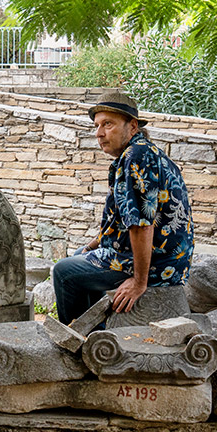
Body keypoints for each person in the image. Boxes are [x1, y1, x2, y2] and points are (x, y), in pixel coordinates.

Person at [52, 91, 194, 325]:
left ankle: (78, 338)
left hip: (159, 263)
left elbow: (141, 224)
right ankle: (95, 329)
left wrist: (139, 282)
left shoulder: (136, 157)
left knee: (63, 272)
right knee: (79, 255)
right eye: (97, 126)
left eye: (108, 124)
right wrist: (90, 246)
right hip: (158, 256)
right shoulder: (143, 152)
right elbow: (118, 221)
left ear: (133, 126)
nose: (99, 133)